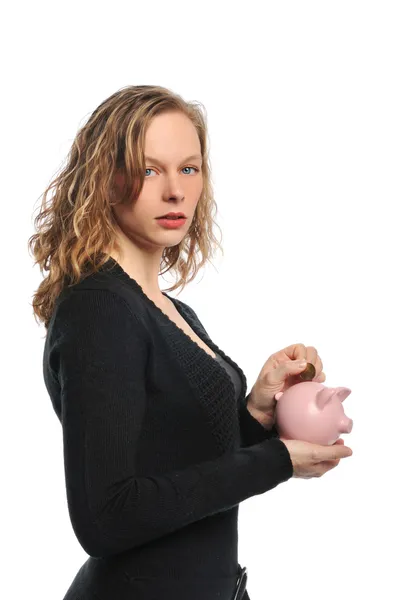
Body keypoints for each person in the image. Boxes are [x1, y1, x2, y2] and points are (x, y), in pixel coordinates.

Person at [28, 85, 353, 600]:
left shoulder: (173, 311)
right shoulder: (99, 309)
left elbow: (181, 463)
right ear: (105, 179)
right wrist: (276, 461)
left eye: (189, 168)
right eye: (150, 169)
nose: (175, 191)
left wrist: (258, 413)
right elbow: (106, 517)